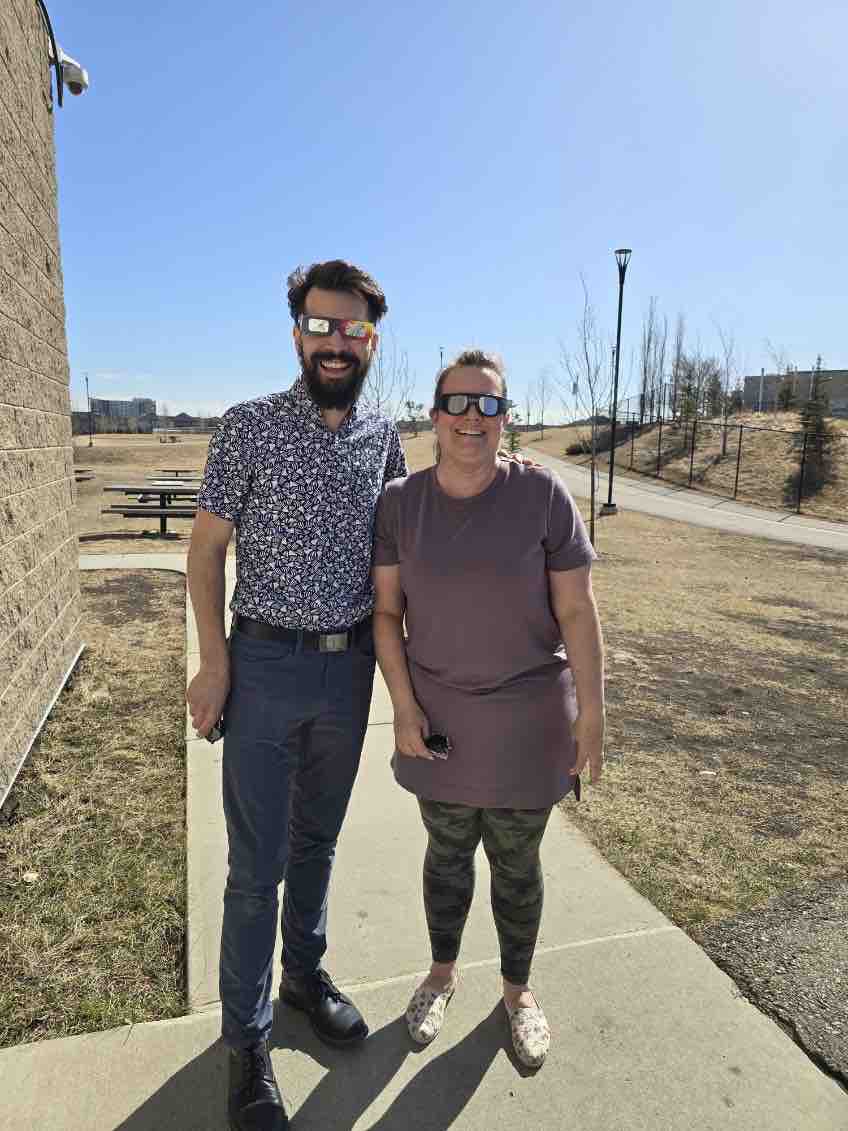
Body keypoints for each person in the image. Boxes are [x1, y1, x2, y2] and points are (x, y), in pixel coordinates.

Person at [187, 260, 407, 1131]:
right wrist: (214, 662)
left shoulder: (385, 436)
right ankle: (247, 1041)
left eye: (351, 330)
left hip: (347, 670)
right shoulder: (246, 429)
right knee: (256, 867)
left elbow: (402, 546)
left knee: (317, 843)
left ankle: (303, 974)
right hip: (267, 667)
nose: (335, 342)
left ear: (369, 341)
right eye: (320, 327)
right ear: (297, 335)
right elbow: (204, 553)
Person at [372, 349, 605, 1069]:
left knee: (516, 863)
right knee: (445, 857)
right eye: (460, 403)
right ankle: (441, 977)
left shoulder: (543, 498)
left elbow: (577, 607)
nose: (474, 418)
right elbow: (386, 613)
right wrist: (403, 708)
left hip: (529, 726)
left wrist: (592, 712)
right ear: (435, 413)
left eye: (490, 405)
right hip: (439, 727)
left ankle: (518, 994)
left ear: (507, 418)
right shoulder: (400, 504)